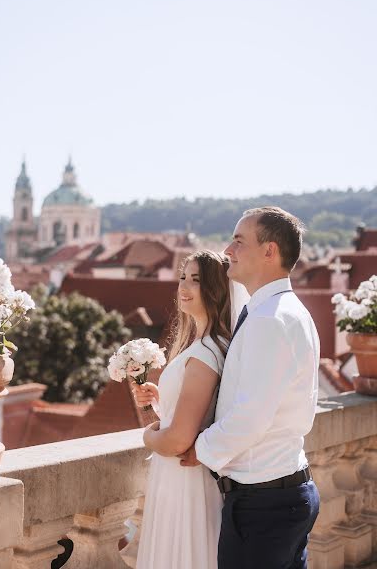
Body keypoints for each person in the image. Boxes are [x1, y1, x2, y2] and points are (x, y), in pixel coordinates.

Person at [179, 206, 321, 569]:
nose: (229, 250)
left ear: (269, 251)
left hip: (264, 504)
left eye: (239, 241)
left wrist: (200, 448)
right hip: (280, 494)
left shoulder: (270, 320)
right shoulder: (285, 310)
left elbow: (250, 418)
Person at [132, 250, 232, 569]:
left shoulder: (206, 352)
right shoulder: (205, 344)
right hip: (180, 479)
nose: (185, 286)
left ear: (216, 289)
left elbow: (176, 442)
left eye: (197, 280)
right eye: (183, 278)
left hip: (187, 482)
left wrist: (148, 436)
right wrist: (162, 401)